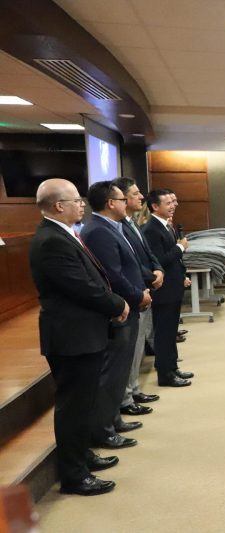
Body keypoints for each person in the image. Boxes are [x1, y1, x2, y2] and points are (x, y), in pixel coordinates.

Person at [29, 179, 128, 495]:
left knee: (84, 403)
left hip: (83, 333)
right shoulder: (51, 241)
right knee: (73, 406)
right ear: (59, 206)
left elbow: (90, 280)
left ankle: (82, 456)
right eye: (76, 200)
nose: (82, 204)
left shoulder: (63, 234)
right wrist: (117, 304)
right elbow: (81, 287)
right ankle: (74, 476)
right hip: (72, 337)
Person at [80, 182, 150, 449]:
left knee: (120, 371)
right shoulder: (99, 231)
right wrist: (137, 295)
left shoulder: (112, 227)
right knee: (112, 373)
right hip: (120, 309)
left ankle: (114, 419)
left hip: (129, 304)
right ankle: (104, 430)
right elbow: (113, 275)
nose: (127, 203)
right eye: (122, 199)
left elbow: (129, 265)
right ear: (111, 203)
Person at [111, 178, 164, 413]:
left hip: (144, 288)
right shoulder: (117, 227)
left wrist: (157, 269)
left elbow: (147, 253)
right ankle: (126, 397)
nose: (141, 197)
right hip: (133, 293)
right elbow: (126, 264)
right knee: (130, 349)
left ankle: (133, 389)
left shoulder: (131, 222)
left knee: (139, 344)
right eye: (135, 194)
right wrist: (151, 276)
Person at [141, 189, 193, 387]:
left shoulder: (166, 225)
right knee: (164, 333)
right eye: (169, 203)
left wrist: (182, 276)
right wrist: (180, 247)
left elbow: (172, 261)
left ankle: (172, 367)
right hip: (163, 290)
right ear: (155, 206)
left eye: (174, 201)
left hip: (173, 285)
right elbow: (159, 261)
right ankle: (165, 374)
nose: (174, 205)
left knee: (171, 331)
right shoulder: (151, 229)